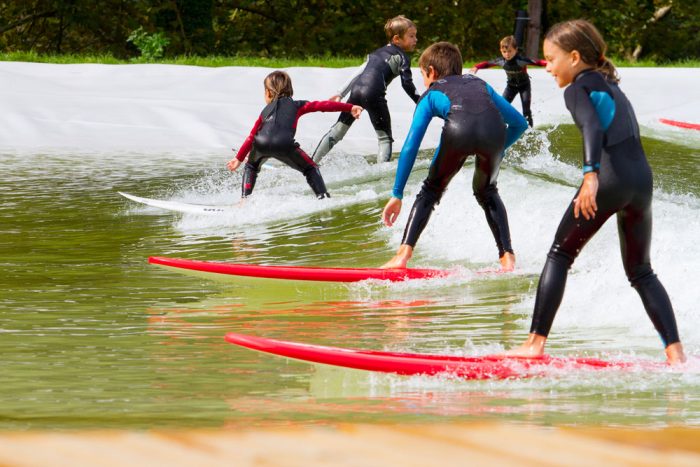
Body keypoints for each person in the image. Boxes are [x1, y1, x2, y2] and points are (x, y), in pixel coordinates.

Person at [505, 20, 685, 364]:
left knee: (560, 254)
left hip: (610, 178)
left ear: (574, 57)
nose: (547, 67)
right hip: (641, 183)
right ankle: (676, 354)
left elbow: (590, 126)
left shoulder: (577, 88)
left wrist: (590, 176)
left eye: (551, 59)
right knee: (641, 271)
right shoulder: (612, 85)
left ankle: (533, 345)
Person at [381, 42, 528, 271]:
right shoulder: (479, 83)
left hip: (457, 132)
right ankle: (508, 258)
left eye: (423, 75)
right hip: (495, 132)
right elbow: (519, 123)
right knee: (487, 191)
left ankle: (402, 256)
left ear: (431, 71)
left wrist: (397, 193)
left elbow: (411, 145)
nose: (424, 81)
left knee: (431, 190)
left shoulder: (431, 94)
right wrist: (497, 150)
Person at [227, 71, 363, 199]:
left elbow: (251, 136)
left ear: (268, 92)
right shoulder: (297, 105)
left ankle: (244, 200)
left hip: (260, 143)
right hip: (284, 144)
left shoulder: (264, 112)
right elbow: (322, 105)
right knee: (311, 168)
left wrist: (238, 158)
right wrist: (350, 107)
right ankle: (323, 198)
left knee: (251, 167)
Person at [312, 15, 420, 164]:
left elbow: (358, 72)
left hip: (356, 92)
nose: (416, 40)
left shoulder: (375, 54)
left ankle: (312, 163)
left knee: (337, 131)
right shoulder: (402, 57)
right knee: (384, 138)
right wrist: (420, 101)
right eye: (411, 36)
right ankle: (381, 172)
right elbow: (407, 84)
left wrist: (340, 93)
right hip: (374, 95)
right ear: (397, 39)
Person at [469, 35, 546, 127]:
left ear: (516, 49)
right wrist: (477, 67)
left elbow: (538, 62)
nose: (507, 54)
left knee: (526, 110)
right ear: (501, 51)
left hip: (524, 86)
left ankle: (530, 130)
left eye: (510, 51)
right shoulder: (501, 61)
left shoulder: (521, 60)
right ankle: (499, 126)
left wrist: (550, 63)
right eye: (504, 52)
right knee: (501, 107)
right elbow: (487, 63)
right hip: (511, 87)